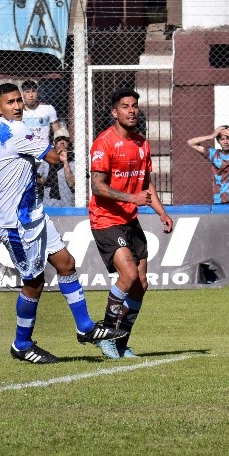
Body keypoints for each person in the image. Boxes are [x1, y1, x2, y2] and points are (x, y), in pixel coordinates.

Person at [0, 82, 126, 363]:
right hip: (16, 224)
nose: (18, 106)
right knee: (34, 282)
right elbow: (53, 158)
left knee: (66, 263)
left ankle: (85, 328)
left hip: (34, 214)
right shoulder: (19, 131)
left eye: (19, 101)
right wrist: (68, 145)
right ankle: (21, 345)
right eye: (10, 102)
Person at [88, 87, 172, 359]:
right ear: (114, 112)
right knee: (129, 275)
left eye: (134, 105)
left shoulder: (142, 143)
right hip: (106, 219)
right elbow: (98, 187)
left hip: (130, 220)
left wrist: (161, 212)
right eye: (125, 106)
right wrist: (131, 197)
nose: (132, 110)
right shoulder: (104, 143)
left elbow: (147, 184)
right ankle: (106, 335)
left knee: (141, 284)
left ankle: (122, 342)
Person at [39, 136, 74, 208]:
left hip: (67, 204)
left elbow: (71, 183)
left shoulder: (74, 163)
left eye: (65, 140)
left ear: (68, 143)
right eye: (59, 140)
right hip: (48, 204)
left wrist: (65, 162)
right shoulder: (46, 162)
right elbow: (39, 180)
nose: (62, 142)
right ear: (54, 143)